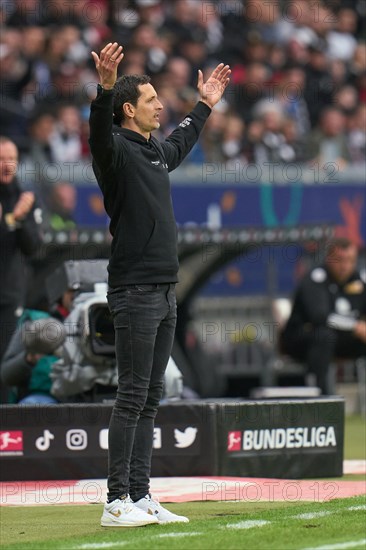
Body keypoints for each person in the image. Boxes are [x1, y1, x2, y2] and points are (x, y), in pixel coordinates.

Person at [89, 42, 230, 527]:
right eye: (152, 100)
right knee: (131, 396)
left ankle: (141, 494)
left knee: (150, 397)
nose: (160, 106)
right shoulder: (115, 151)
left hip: (163, 289)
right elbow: (97, 133)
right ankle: (114, 502)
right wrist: (104, 89)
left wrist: (205, 104)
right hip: (134, 290)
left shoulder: (150, 150)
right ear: (129, 109)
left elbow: (179, 144)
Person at [281, 238, 366, 395]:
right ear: (329, 258)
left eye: (350, 260)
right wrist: (356, 326)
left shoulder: (360, 280)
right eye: (339, 260)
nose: (344, 266)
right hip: (303, 339)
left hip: (341, 339)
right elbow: (321, 317)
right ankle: (321, 398)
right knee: (324, 336)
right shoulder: (315, 279)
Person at [0, 136, 43, 401]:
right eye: (1, 160)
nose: (6, 165)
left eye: (11, 159)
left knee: (6, 358)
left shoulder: (24, 197)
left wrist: (19, 220)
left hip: (8, 296)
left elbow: (33, 247)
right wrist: (10, 222)